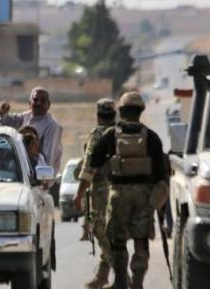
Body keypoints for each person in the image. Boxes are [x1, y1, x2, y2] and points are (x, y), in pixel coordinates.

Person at [74, 92, 169, 289]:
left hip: (118, 195)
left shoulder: (110, 136)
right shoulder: (152, 138)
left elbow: (91, 165)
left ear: (122, 111)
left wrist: (80, 193)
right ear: (141, 111)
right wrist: (161, 206)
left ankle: (119, 282)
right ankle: (137, 283)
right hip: (144, 197)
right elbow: (162, 175)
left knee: (117, 240)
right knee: (141, 240)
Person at [78, 98, 117, 289]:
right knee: (111, 235)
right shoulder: (120, 131)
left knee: (100, 231)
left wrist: (79, 194)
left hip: (102, 191)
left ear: (98, 115)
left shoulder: (97, 134)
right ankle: (102, 277)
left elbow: (89, 166)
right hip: (120, 190)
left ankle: (122, 276)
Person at [0, 87, 63, 173]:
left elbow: (48, 159)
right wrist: (3, 112)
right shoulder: (26, 116)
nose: (39, 103)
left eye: (43, 100)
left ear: (48, 105)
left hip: (41, 175)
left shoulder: (52, 125)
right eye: (35, 100)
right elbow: (7, 121)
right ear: (29, 103)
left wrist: (43, 177)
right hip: (24, 170)